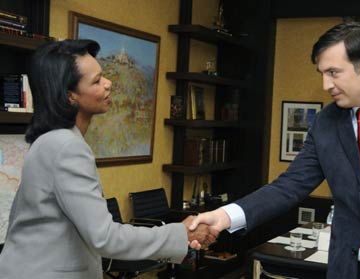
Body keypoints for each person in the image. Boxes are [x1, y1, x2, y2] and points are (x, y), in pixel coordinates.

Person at [190, 21, 360, 279]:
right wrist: (224, 216)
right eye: (321, 73)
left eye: (334, 72)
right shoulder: (327, 121)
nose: (326, 85)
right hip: (347, 268)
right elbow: (290, 185)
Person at [0, 39, 217, 279]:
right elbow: (105, 237)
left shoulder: (50, 140)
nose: (108, 84)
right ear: (70, 95)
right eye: (96, 81)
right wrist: (181, 234)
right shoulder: (66, 147)